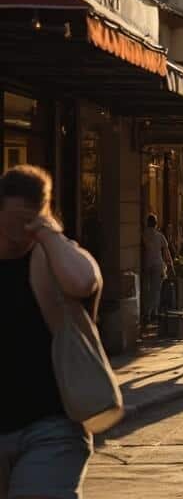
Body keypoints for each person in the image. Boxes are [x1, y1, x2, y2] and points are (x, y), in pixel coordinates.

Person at [0, 165, 101, 499]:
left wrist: (49, 234)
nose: (19, 229)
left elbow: (84, 281)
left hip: (52, 427)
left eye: (29, 217)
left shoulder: (54, 258)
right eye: (13, 218)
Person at [141, 213, 174, 325]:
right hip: (158, 264)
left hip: (146, 264)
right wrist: (170, 264)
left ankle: (147, 312)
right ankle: (153, 312)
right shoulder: (159, 235)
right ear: (156, 223)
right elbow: (166, 251)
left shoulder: (143, 234)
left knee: (146, 289)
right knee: (156, 289)